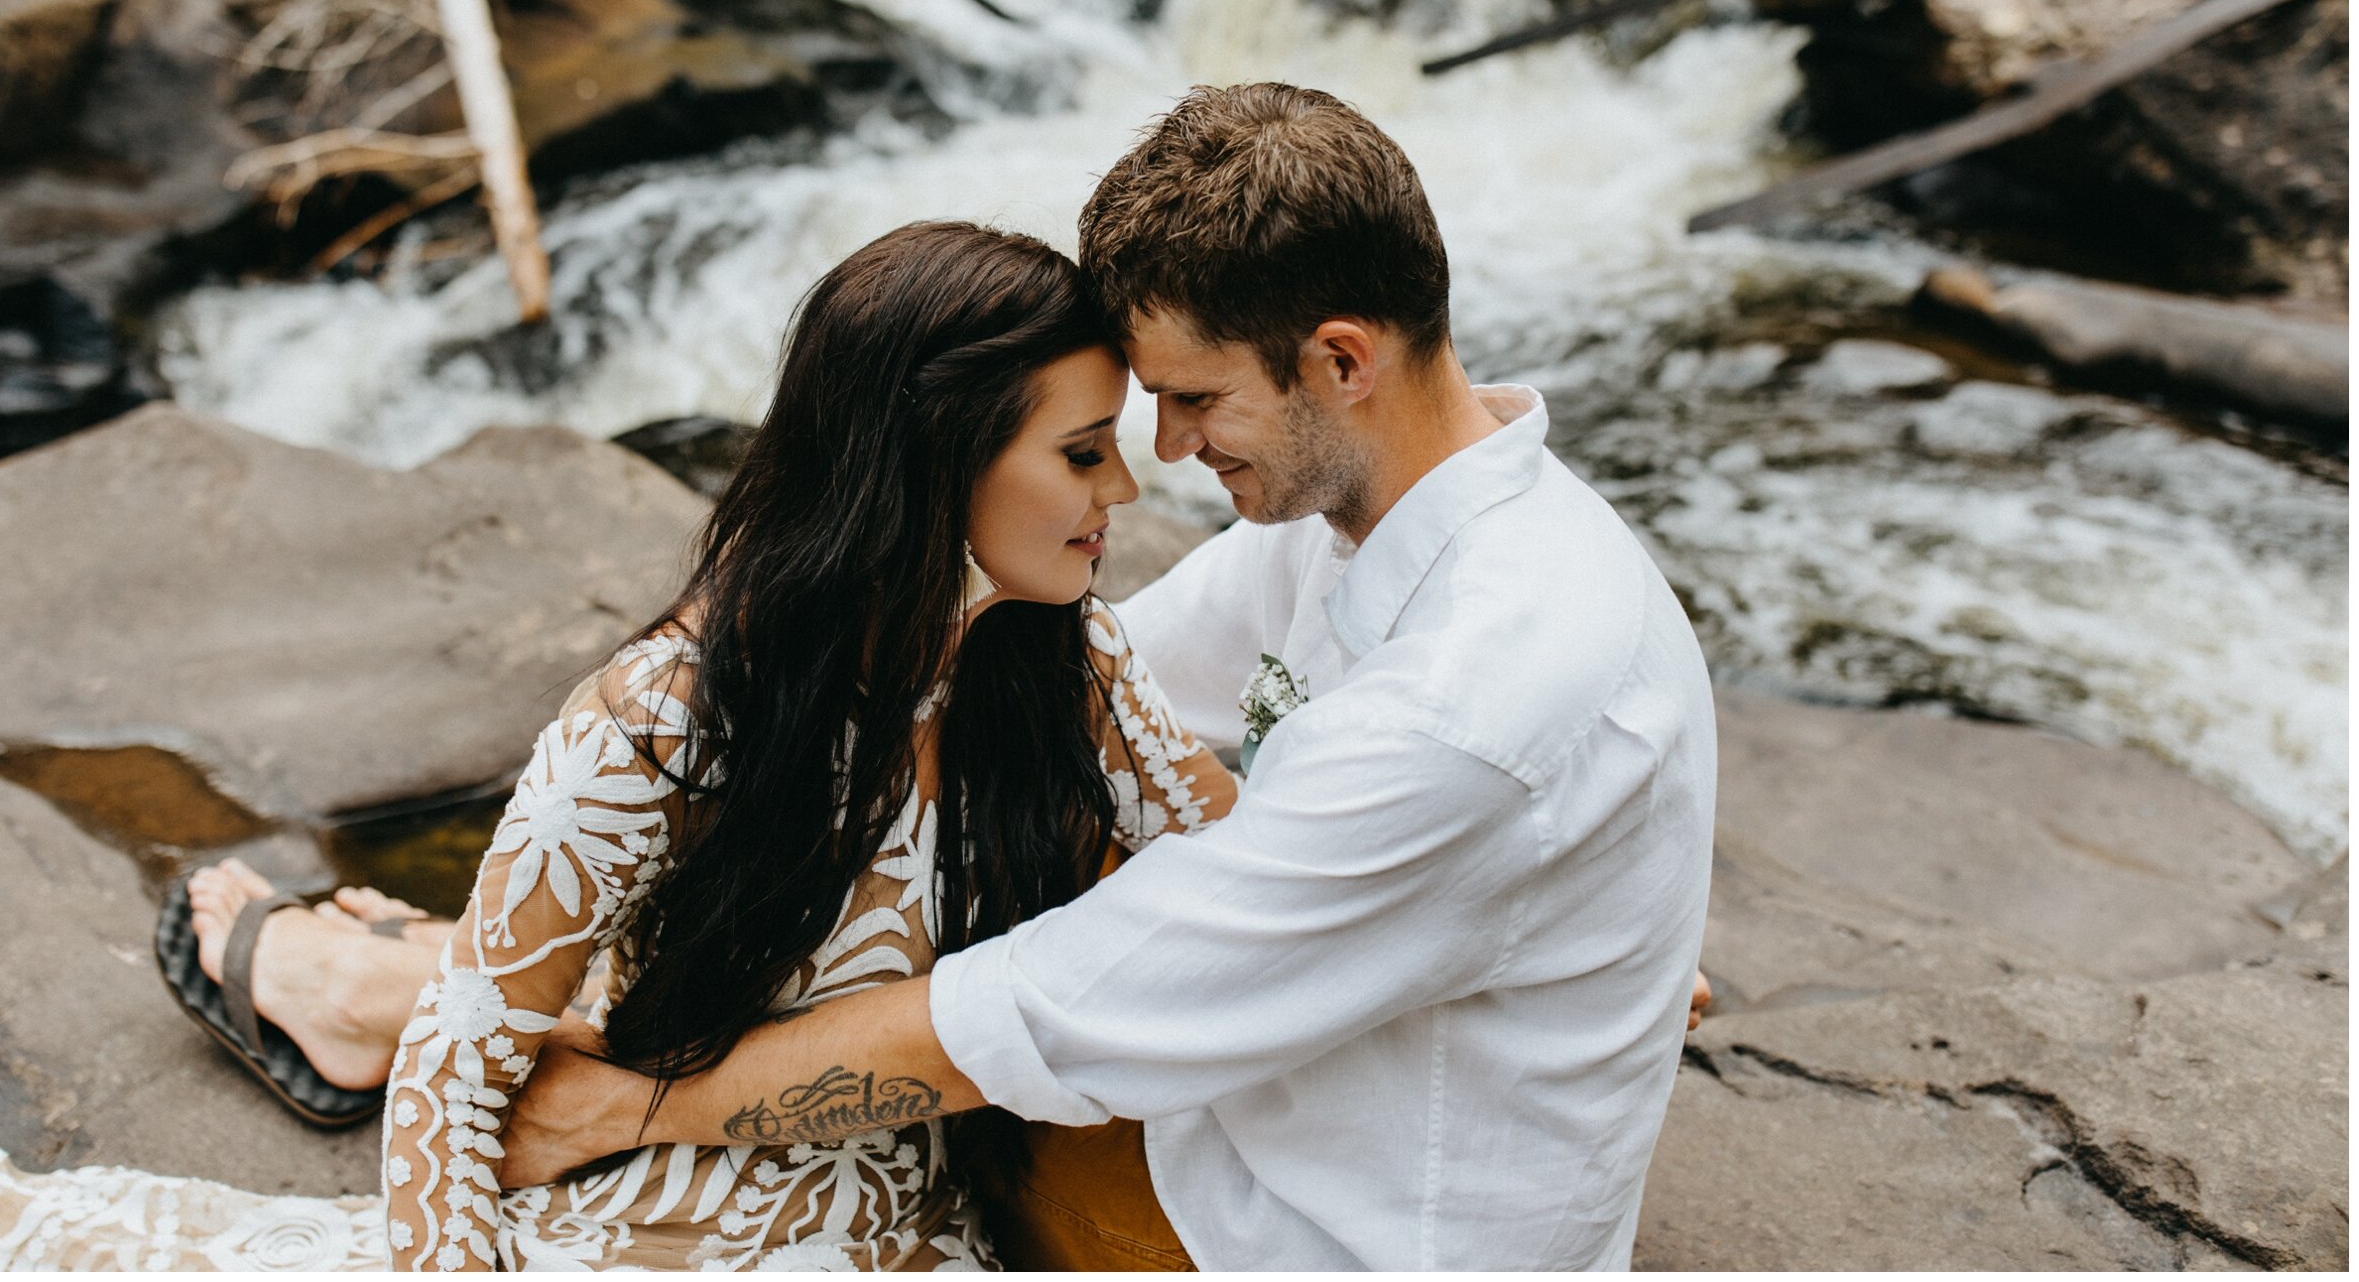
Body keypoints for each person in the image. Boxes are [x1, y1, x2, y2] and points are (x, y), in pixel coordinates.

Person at [494, 83, 1720, 1271]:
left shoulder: (1479, 705)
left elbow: (1044, 1013)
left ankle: (463, 1013)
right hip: (1283, 1099)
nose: (1169, 452)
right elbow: (1080, 689)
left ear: (1342, 359)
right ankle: (477, 986)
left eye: (1194, 400)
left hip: (1293, 1229)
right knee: (994, 768)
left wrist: (633, 1109)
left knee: (986, 878)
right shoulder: (1363, 512)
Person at [162, 221, 1239, 1269]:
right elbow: (456, 1077)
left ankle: (381, 975)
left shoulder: (1068, 661)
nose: (1126, 491)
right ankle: (373, 988)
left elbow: (1252, 889)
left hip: (914, 1228)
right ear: (935, 458)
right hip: (669, 1223)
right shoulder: (665, 715)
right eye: (1082, 451)